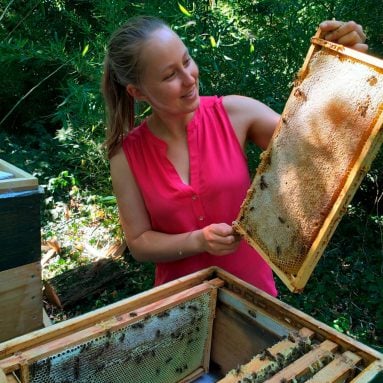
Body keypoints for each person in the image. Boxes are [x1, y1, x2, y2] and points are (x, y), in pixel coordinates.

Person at [102, 16, 367, 297]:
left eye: (186, 60)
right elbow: (140, 243)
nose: (188, 77)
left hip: (255, 298)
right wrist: (198, 240)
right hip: (178, 311)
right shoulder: (125, 156)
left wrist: (336, 68)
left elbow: (318, 149)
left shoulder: (237, 113)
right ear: (138, 92)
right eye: (170, 75)